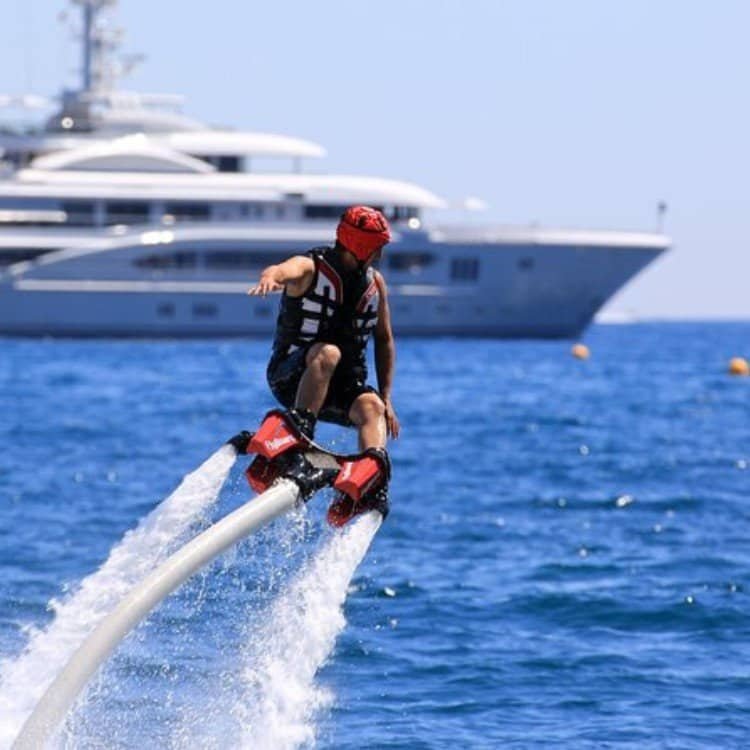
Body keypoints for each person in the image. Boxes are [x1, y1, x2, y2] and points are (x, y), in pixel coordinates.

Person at [247, 205, 400, 522]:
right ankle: (297, 434)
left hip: (340, 389)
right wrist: (269, 278)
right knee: (328, 353)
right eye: (377, 247)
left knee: (372, 408)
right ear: (361, 246)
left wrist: (386, 396)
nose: (380, 255)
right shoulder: (310, 268)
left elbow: (384, 341)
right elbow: (282, 269)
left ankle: (368, 480)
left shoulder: (376, 284)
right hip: (292, 378)